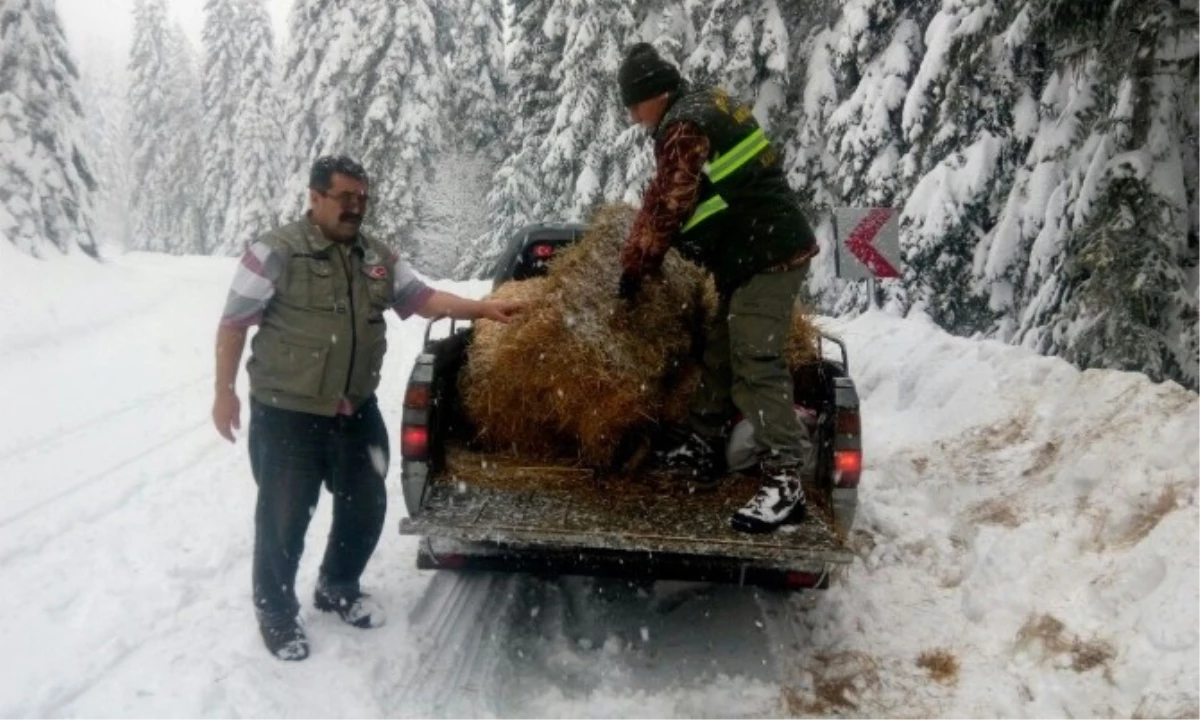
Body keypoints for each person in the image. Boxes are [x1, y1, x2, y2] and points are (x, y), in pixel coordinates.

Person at [211, 155, 523, 661]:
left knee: (367, 503)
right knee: (283, 517)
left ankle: (338, 586)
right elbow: (233, 324)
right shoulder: (276, 252)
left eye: (362, 198)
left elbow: (423, 299)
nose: (355, 208)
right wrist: (224, 390)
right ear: (315, 198)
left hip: (354, 410)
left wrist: (483, 308)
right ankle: (275, 610)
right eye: (344, 198)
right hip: (288, 412)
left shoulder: (376, 257)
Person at [615, 44, 820, 534]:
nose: (630, 116)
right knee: (722, 346)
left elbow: (669, 206)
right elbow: (661, 192)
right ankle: (702, 442)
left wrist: (640, 266)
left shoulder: (683, 127)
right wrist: (633, 256)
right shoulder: (699, 106)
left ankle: (785, 481)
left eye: (631, 104)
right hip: (752, 254)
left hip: (768, 256)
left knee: (756, 359)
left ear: (651, 96)